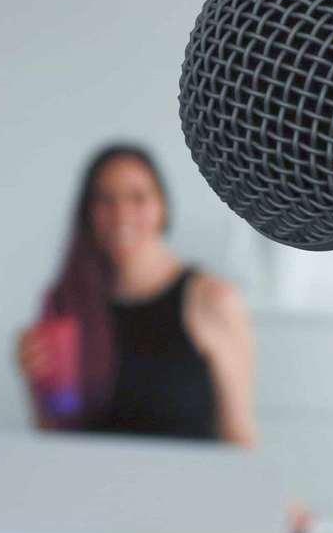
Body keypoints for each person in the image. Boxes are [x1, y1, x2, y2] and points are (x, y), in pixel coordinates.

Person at [18, 143, 258, 445]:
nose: (121, 214)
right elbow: (56, 435)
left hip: (187, 489)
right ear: (88, 214)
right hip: (89, 487)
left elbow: (240, 436)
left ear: (162, 207)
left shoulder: (213, 299)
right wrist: (35, 382)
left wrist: (277, 492)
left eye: (138, 197)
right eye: (105, 200)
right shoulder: (69, 305)